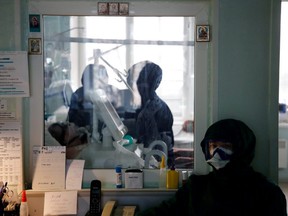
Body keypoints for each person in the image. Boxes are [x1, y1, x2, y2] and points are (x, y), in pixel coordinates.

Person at [137, 119, 287, 216]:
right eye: (213, 146)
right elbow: (165, 212)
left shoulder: (267, 193)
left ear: (242, 149)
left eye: (226, 146)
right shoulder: (197, 187)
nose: (217, 152)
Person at [133, 61, 175, 166]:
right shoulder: (143, 105)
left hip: (157, 165)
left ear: (154, 84)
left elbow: (159, 150)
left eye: (143, 82)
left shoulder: (159, 110)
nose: (139, 86)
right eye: (138, 81)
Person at [67, 64, 119, 137]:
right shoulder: (78, 95)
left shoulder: (112, 92)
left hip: (111, 135)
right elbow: (72, 121)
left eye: (104, 77)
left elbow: (120, 117)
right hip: (85, 136)